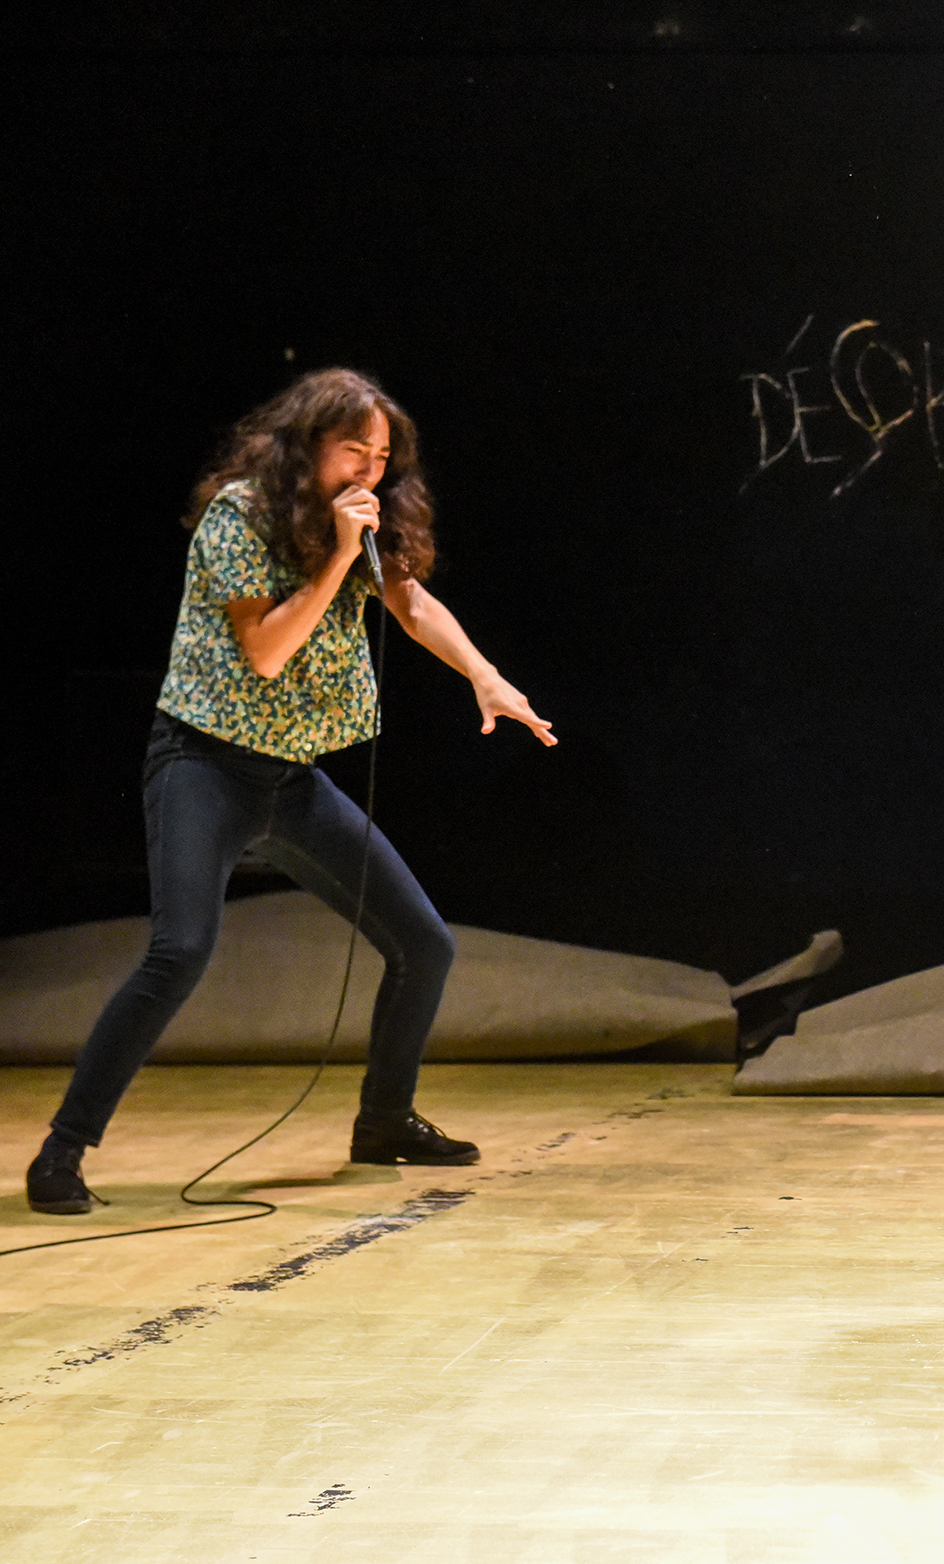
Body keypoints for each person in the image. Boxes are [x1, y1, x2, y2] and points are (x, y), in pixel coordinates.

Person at [24, 368, 556, 1215]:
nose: (369, 470)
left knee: (425, 944)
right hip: (204, 765)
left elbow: (410, 602)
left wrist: (484, 676)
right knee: (180, 950)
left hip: (291, 776)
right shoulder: (240, 515)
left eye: (380, 456)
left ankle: (383, 1121)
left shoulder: (364, 522)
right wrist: (340, 555)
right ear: (307, 444)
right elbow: (267, 650)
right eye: (353, 451)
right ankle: (62, 1149)